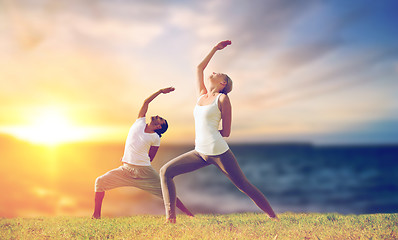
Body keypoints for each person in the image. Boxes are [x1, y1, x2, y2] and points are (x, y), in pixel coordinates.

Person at [160, 41, 278, 223]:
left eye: (218, 73)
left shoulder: (222, 99)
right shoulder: (201, 95)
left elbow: (227, 131)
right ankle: (170, 219)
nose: (213, 72)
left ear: (222, 83)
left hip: (218, 152)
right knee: (165, 171)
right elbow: (199, 67)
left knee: (244, 185)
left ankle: (273, 217)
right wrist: (215, 49)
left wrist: (211, 134)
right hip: (199, 152)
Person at [92, 87, 194, 219]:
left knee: (166, 192)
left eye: (160, 119)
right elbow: (146, 103)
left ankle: (189, 214)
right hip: (125, 169)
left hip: (144, 171)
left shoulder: (155, 138)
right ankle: (96, 216)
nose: (157, 116)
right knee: (100, 182)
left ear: (158, 127)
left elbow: (150, 157)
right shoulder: (139, 122)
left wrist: (137, 159)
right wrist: (160, 91)